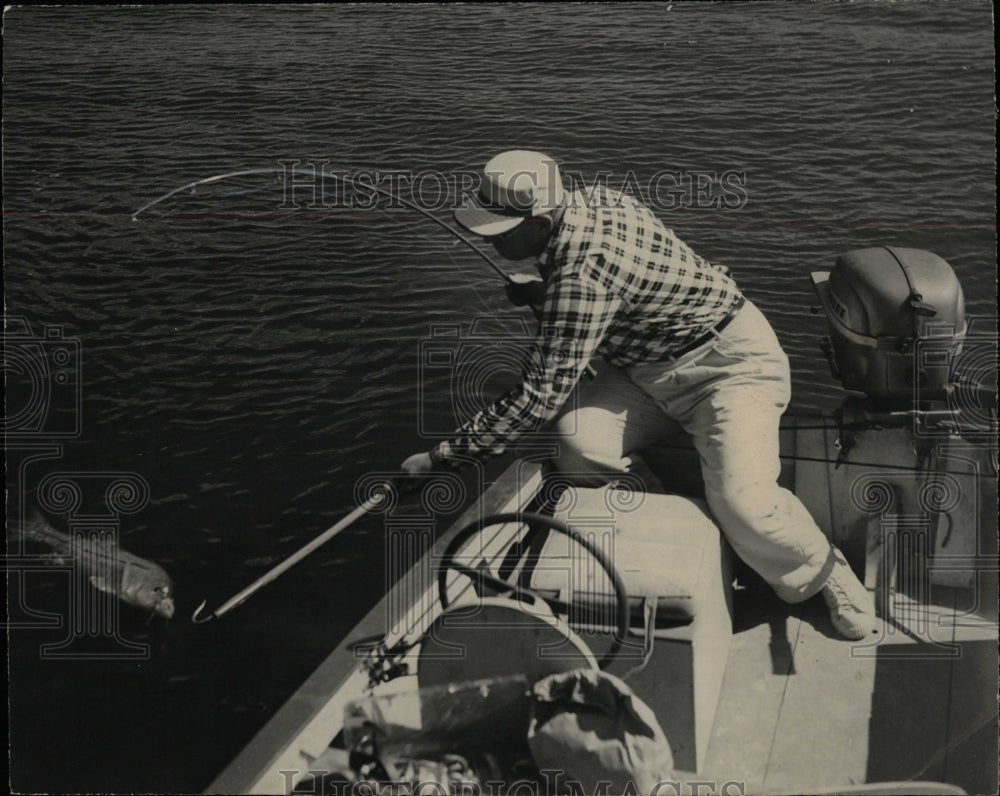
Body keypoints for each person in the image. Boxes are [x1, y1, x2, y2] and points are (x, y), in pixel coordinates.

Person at [401, 150, 876, 640]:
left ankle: (823, 571)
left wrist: (441, 458)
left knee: (744, 503)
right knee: (578, 447)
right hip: (649, 368)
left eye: (500, 232)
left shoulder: (582, 276)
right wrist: (545, 293)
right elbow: (614, 287)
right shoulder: (595, 201)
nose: (490, 241)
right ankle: (683, 518)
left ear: (541, 224)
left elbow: (537, 394)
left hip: (732, 369)